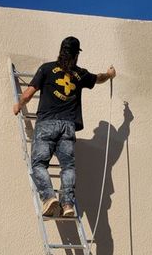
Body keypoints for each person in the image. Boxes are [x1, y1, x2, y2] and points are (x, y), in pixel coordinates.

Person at [13, 36, 116, 217]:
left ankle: (49, 198)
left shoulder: (46, 68)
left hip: (46, 124)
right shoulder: (80, 74)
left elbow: (28, 94)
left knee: (38, 163)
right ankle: (68, 203)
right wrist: (110, 74)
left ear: (61, 51)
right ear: (76, 55)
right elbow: (98, 78)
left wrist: (18, 105)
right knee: (68, 167)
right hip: (68, 126)